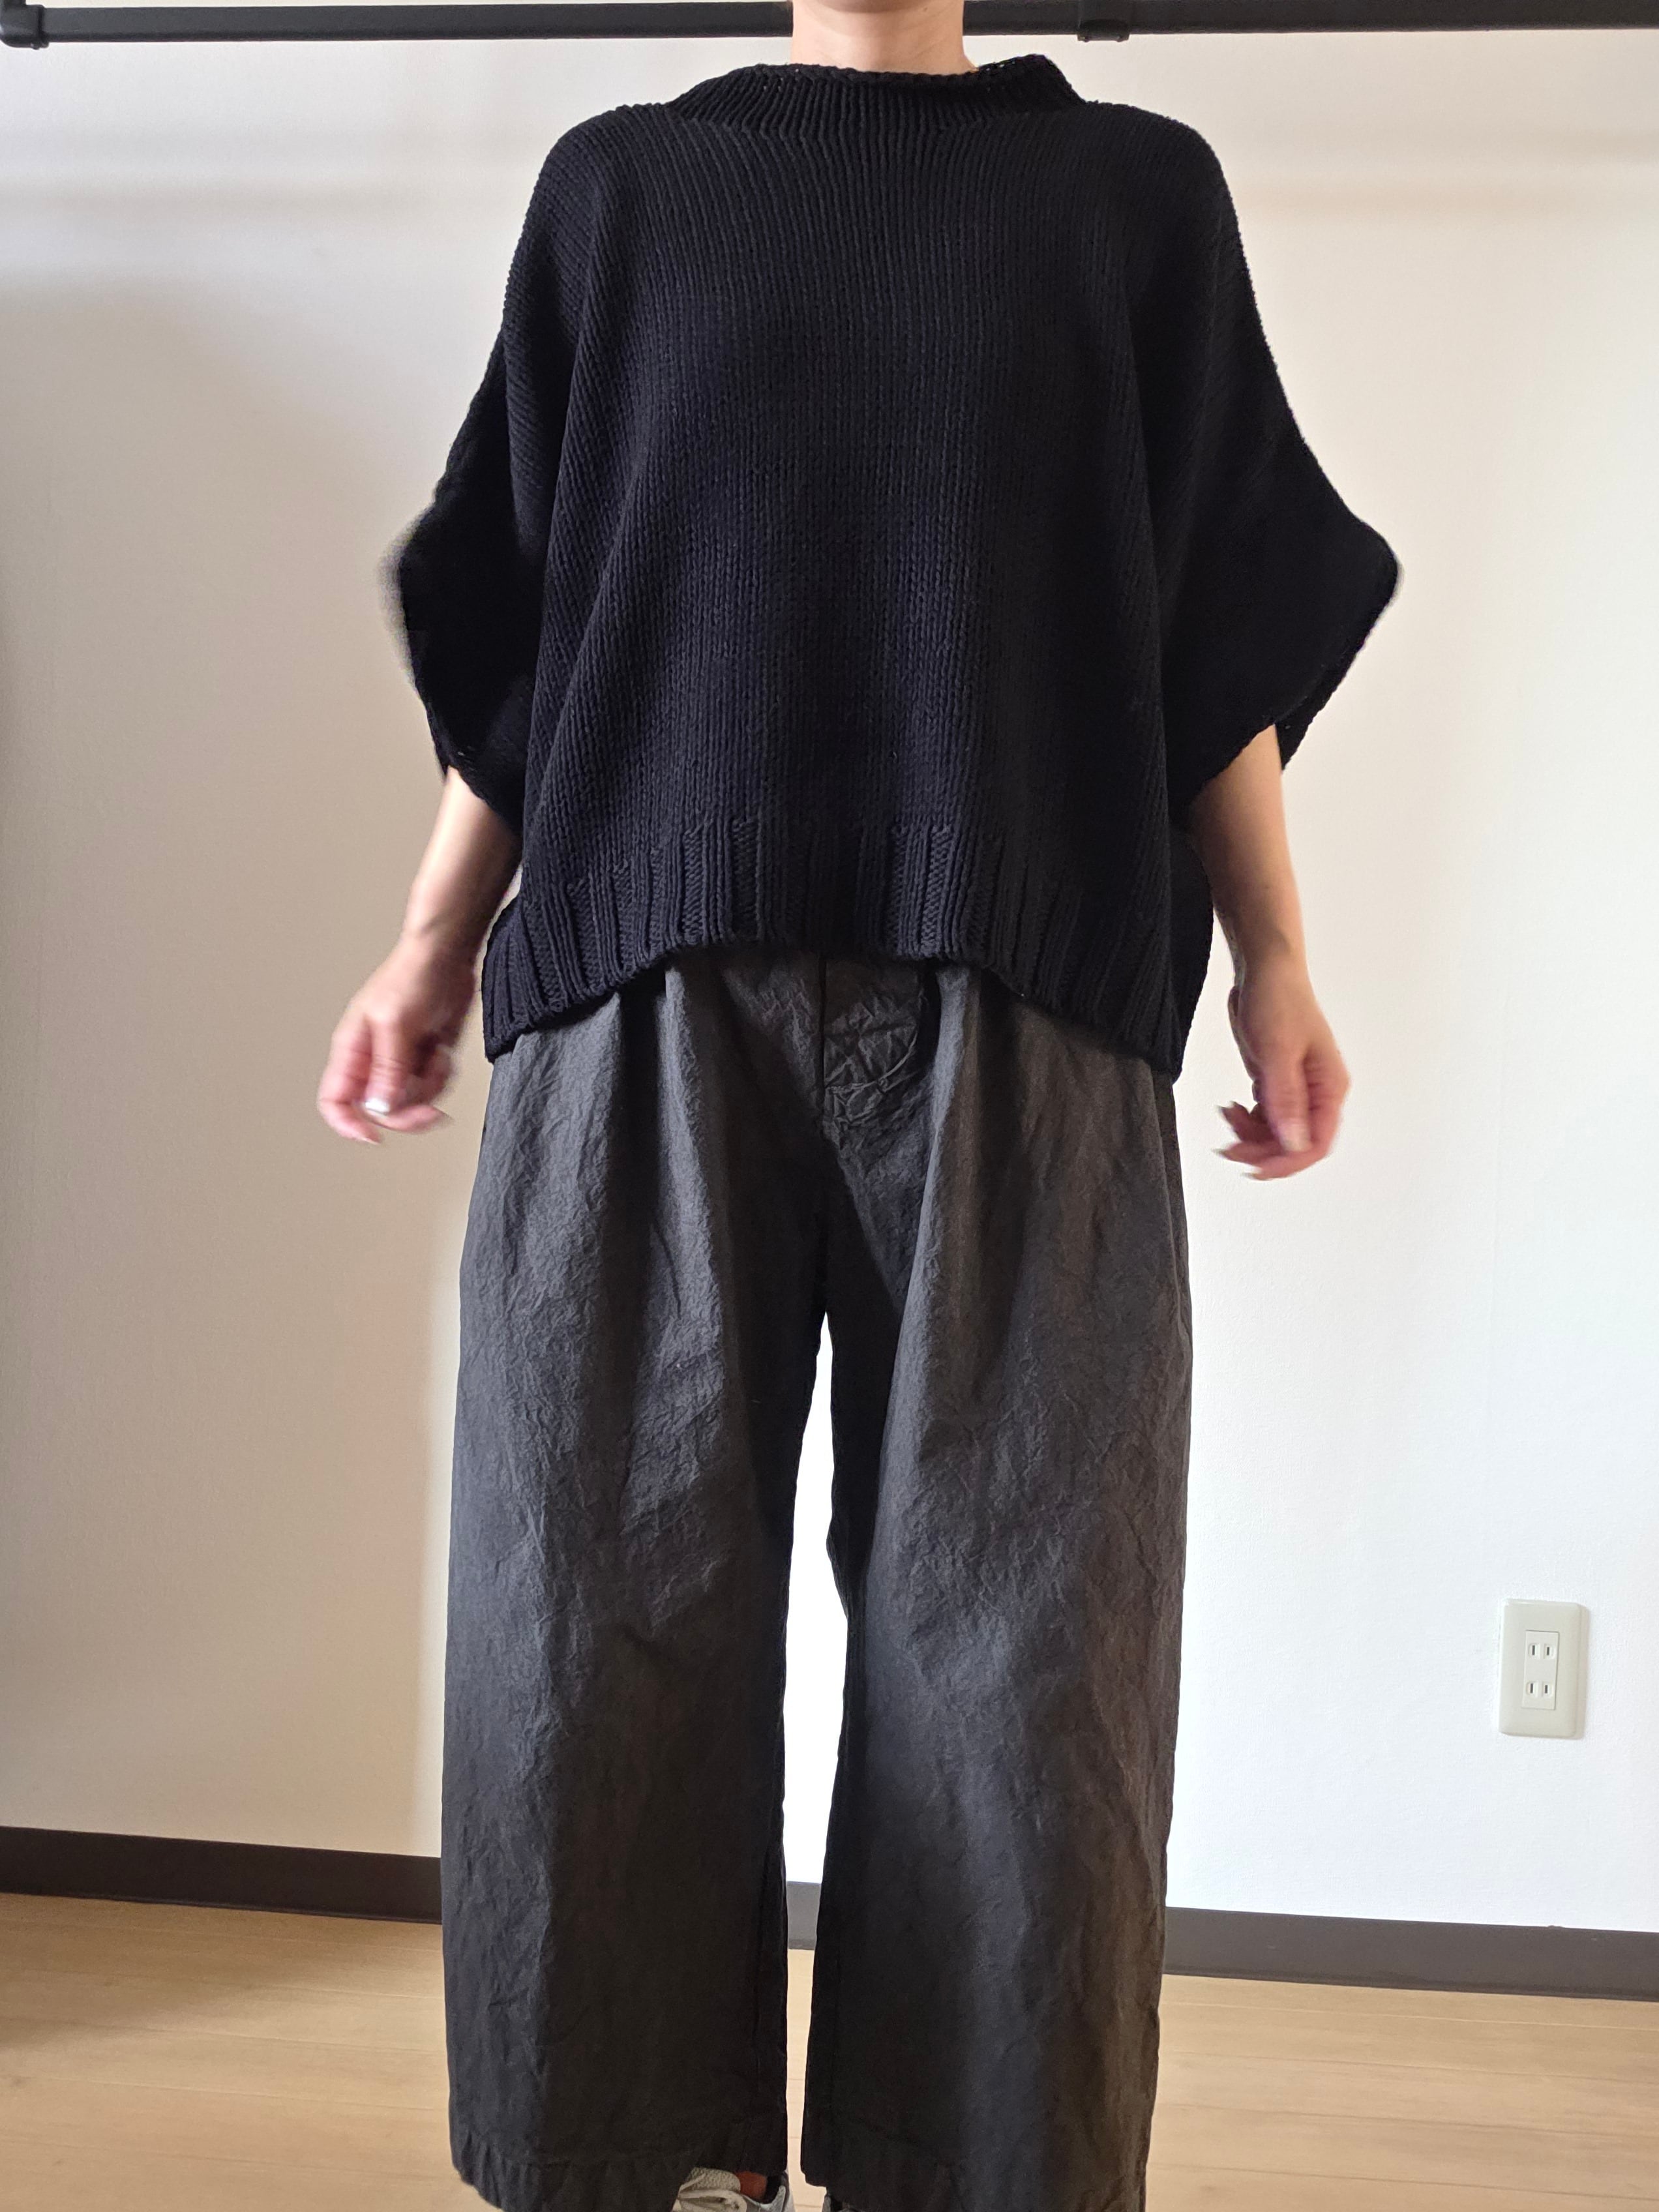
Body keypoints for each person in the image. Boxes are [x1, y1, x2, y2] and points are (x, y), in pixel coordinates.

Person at [318, 3, 1399, 2209]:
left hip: (1029, 996)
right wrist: (431, 942)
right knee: (594, 1613)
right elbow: (535, 641)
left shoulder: (1132, 202)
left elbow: (1208, 628)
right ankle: (635, 2162)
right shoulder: (624, 195)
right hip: (644, 991)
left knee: (1025, 1656)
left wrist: (1277, 953)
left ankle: (973, 2173)